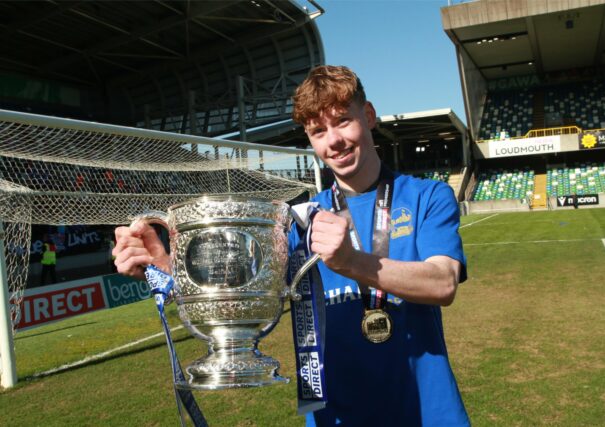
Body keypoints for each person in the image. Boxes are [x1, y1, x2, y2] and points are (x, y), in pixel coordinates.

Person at [112, 65, 469, 426]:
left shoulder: (428, 196)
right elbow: (239, 294)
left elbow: (442, 283)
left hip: (429, 414)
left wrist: (350, 261)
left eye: (343, 121)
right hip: (335, 419)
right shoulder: (299, 221)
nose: (333, 141)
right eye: (318, 131)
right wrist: (165, 266)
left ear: (370, 115)